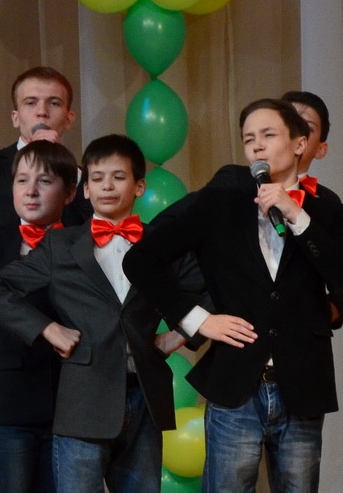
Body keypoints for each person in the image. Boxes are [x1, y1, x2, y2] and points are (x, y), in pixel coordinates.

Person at [123, 98, 343, 492]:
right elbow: (141, 260)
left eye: (268, 135)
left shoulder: (325, 212)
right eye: (249, 139)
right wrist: (198, 320)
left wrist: (296, 215)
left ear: (300, 143)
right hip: (236, 382)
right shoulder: (221, 201)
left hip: (302, 381)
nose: (257, 146)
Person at [0, 134, 201, 492]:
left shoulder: (161, 243)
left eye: (118, 177)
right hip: (83, 401)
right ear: (86, 189)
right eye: (97, 177)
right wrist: (46, 328)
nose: (107, 186)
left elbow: (212, 285)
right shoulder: (60, 245)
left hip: (144, 396)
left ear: (139, 186)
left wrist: (179, 334)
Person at [0, 141, 78, 492]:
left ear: (70, 193)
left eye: (44, 181)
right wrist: (45, 327)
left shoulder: (84, 243)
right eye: (22, 180)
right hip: (8, 408)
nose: (30, 191)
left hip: (72, 407)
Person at [0, 67, 90, 265]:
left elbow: (97, 228)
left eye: (54, 103)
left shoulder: (86, 178)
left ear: (69, 119)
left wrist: (63, 163)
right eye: (31, 103)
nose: (42, 112)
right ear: (15, 117)